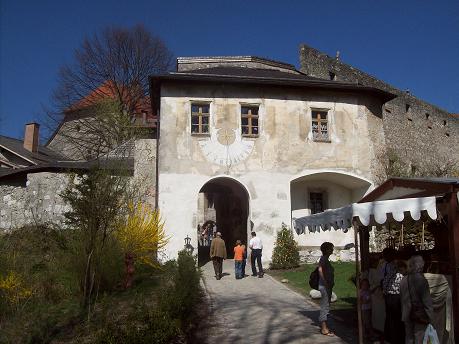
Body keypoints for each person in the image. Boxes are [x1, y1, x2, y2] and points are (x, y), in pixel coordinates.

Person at [400, 255, 433, 344]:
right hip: (419, 315)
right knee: (419, 339)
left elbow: (402, 298)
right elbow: (427, 301)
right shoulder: (421, 280)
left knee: (409, 338)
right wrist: (430, 317)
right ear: (420, 266)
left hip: (406, 314)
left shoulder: (403, 279)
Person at [382, 248, 405, 344]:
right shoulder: (392, 266)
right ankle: (395, 338)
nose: (383, 257)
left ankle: (390, 337)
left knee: (392, 318)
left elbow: (385, 279)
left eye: (385, 255)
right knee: (395, 318)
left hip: (391, 295)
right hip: (394, 295)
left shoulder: (393, 265)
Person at [318, 241, 335, 337]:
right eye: (331, 248)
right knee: (325, 306)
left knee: (327, 306)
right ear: (327, 249)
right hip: (325, 287)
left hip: (327, 286)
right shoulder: (324, 259)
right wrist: (325, 282)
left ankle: (325, 326)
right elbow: (320, 269)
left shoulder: (325, 259)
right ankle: (324, 329)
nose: (332, 250)